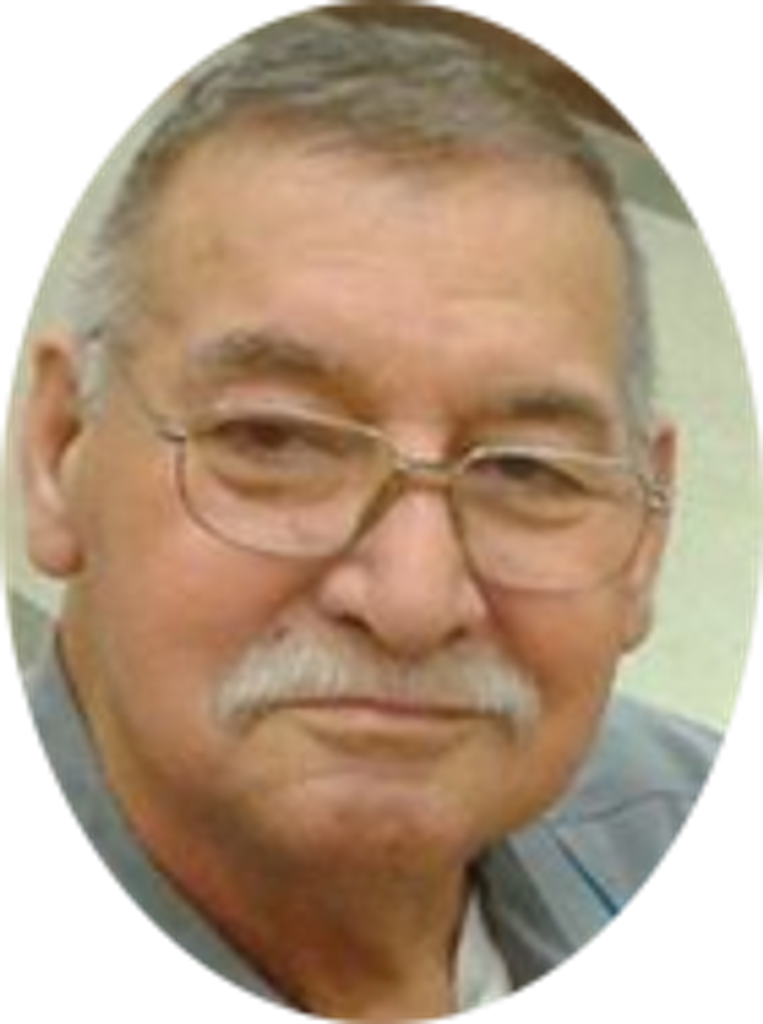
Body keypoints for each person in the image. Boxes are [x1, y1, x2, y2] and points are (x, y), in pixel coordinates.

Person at [18, 10, 725, 1021]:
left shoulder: (665, 815)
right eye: (274, 441)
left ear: (646, 535)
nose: (412, 601)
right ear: (59, 454)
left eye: (525, 470)